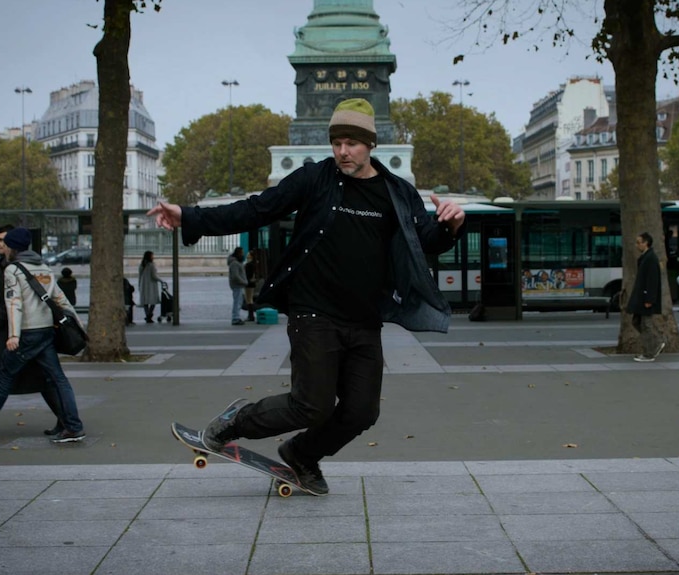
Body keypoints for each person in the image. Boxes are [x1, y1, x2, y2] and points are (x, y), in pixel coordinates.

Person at [147, 98, 465, 495]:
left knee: (362, 411)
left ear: (371, 145)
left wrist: (450, 224)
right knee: (311, 405)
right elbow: (255, 209)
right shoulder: (314, 179)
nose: (343, 152)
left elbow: (426, 241)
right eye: (337, 143)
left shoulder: (397, 192)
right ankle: (232, 423)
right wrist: (189, 215)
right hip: (314, 314)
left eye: (352, 143)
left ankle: (301, 453)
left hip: (364, 321)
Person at [0, 227, 87, 443]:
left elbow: (14, 304)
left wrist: (13, 335)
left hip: (27, 333)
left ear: (12, 247)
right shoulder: (44, 267)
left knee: (2, 379)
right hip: (46, 332)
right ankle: (74, 427)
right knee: (59, 380)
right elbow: (60, 299)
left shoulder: (13, 270)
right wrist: (79, 325)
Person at [627, 231, 665, 362]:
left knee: (646, 324)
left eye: (639, 242)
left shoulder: (650, 259)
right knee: (637, 322)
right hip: (642, 296)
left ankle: (651, 351)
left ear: (646, 243)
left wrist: (649, 299)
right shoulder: (646, 258)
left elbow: (652, 280)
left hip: (645, 298)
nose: (637, 245)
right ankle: (656, 343)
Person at [138, 251, 162, 323]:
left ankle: (147, 315)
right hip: (151, 285)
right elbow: (154, 276)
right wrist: (161, 280)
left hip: (143, 284)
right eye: (152, 256)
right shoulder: (151, 265)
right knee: (153, 301)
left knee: (145, 302)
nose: (153, 257)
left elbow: (140, 276)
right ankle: (149, 315)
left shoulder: (142, 265)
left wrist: (139, 284)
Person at [228, 246, 248, 325]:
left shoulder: (236, 263)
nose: (243, 254)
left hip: (239, 285)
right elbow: (235, 276)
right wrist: (244, 282)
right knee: (237, 302)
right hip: (238, 285)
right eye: (242, 253)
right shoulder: (235, 264)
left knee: (238, 301)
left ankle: (236, 317)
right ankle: (235, 318)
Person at [244, 249, 257, 322]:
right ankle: (251, 315)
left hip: (248, 283)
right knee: (250, 299)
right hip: (252, 283)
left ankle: (250, 316)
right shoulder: (254, 263)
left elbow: (248, 275)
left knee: (248, 299)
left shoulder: (249, 264)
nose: (247, 255)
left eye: (248, 254)